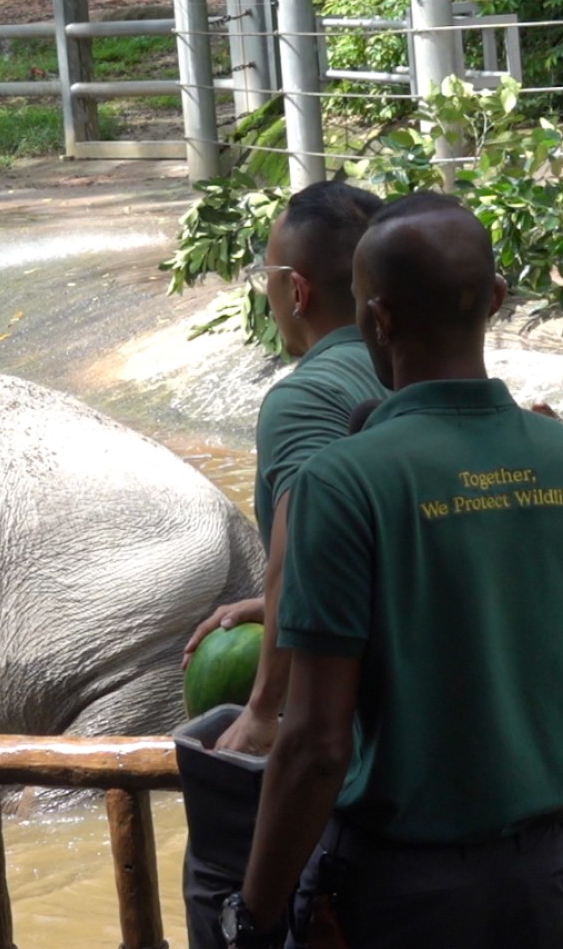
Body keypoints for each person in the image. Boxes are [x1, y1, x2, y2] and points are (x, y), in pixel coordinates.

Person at [219, 192, 563, 949]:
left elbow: (315, 747)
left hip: (393, 891)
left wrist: (253, 914)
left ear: (375, 318)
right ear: (498, 301)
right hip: (548, 879)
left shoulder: (340, 484)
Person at [182, 179, 388, 755]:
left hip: (362, 735)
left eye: (266, 277)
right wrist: (277, 608)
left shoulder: (304, 399)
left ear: (296, 292)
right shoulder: (418, 369)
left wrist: (263, 709)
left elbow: (306, 543)